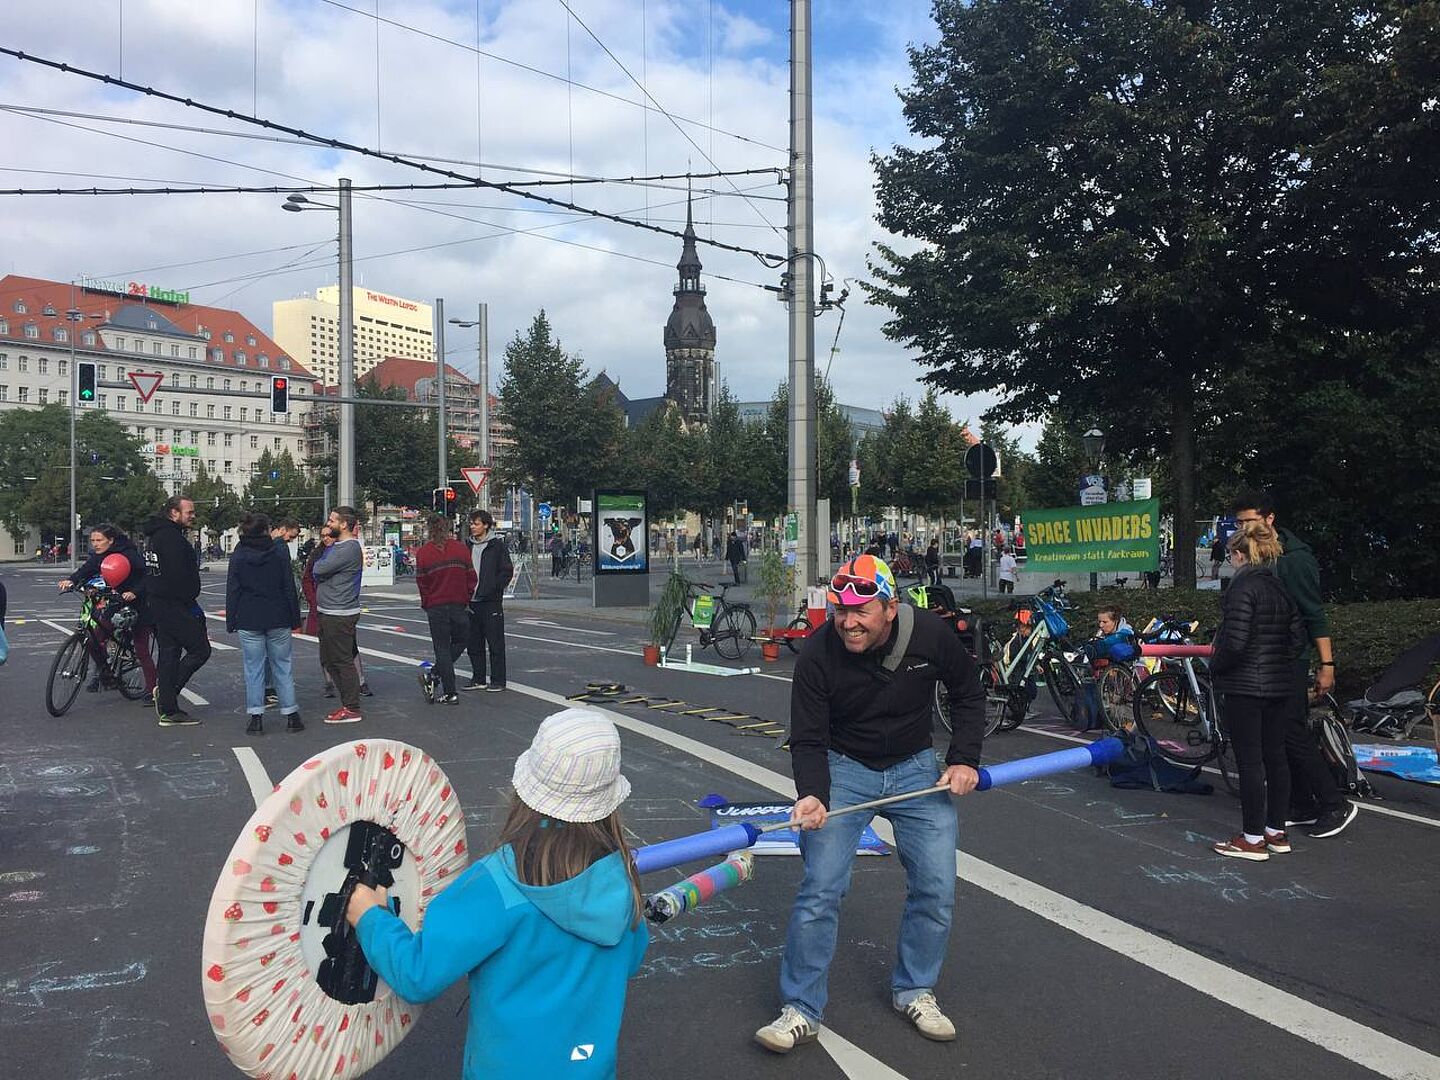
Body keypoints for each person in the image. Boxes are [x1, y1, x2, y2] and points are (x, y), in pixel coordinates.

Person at [755, 554, 987, 1054]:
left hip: (916, 768)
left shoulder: (931, 635)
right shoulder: (820, 651)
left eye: (861, 612)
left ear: (890, 608)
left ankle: (915, 990)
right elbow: (808, 737)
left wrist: (964, 759)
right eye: (841, 610)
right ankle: (800, 1008)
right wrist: (812, 795)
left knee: (936, 886)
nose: (848, 622)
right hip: (845, 766)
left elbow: (969, 694)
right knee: (820, 888)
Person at [346, 708, 648, 1078]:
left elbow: (418, 974)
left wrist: (370, 918)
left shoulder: (497, 884)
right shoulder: (620, 878)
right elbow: (630, 958)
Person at [1232, 491, 1356, 839]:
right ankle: (1300, 802)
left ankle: (1333, 802)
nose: (1243, 527)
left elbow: (1313, 613)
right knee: (1277, 736)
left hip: (1289, 658)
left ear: (1269, 519)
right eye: (1239, 522)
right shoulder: (1260, 560)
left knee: (1289, 730)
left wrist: (1326, 664)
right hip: (1268, 659)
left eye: (1249, 520)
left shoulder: (1293, 560)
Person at [1209, 522, 1305, 860]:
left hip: (1245, 684)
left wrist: (1215, 667)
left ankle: (1251, 838)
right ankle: (1276, 831)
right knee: (1275, 757)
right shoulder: (1280, 588)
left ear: (1238, 555)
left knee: (1250, 761)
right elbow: (1296, 639)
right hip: (1279, 684)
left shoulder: (1241, 588)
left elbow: (1234, 643)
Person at [58, 523, 158, 701]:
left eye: (99, 540)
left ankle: (153, 691)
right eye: (92, 540)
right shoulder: (99, 556)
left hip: (140, 603)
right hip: (117, 601)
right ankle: (106, 673)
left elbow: (147, 576)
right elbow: (86, 570)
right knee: (92, 640)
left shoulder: (129, 554)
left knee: (141, 648)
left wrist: (134, 592)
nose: (95, 544)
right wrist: (70, 580)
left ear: (111, 540)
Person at [226, 512, 303, 736]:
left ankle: (256, 717)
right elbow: (289, 587)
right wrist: (294, 617)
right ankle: (291, 715)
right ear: (266, 530)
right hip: (278, 615)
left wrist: (232, 620)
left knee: (254, 668)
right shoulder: (278, 552)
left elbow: (233, 590)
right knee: (283, 666)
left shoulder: (239, 555)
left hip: (249, 617)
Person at [141, 496, 210, 726]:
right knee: (200, 649)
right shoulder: (172, 540)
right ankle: (167, 695)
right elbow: (178, 576)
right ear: (174, 513)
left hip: (158, 603)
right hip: (174, 604)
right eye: (189, 512)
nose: (193, 516)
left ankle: (169, 709)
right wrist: (189, 599)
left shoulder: (156, 536)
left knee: (169, 653)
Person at [416, 513, 476, 704]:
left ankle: (449, 690)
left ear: (429, 530)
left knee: (441, 648)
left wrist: (426, 602)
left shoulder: (424, 553)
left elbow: (422, 582)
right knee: (461, 640)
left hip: (436, 606)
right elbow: (471, 577)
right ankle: (437, 676)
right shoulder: (461, 549)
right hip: (459, 604)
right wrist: (466, 597)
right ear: (448, 528)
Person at [313, 505, 365, 724]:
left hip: (340, 612)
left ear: (344, 524)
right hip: (329, 610)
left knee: (342, 660)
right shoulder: (338, 546)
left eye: (333, 520)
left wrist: (322, 568)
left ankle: (351, 707)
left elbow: (318, 569)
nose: (329, 523)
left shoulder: (348, 548)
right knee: (328, 659)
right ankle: (347, 702)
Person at [300, 541, 369, 699]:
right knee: (326, 650)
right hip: (323, 607)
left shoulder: (343, 551)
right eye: (323, 535)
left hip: (341, 607)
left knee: (349, 649)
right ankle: (331, 683)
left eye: (328, 535)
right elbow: (309, 577)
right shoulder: (319, 555)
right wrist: (313, 600)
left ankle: (357, 686)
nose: (326, 539)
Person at [465, 509, 513, 692]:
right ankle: (478, 678)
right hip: (471, 600)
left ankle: (498, 680)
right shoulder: (467, 545)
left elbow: (506, 570)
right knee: (473, 643)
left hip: (490, 601)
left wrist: (494, 587)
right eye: (471, 523)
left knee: (495, 643)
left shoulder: (496, 546)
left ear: (485, 525)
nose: (472, 527)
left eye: (476, 524)